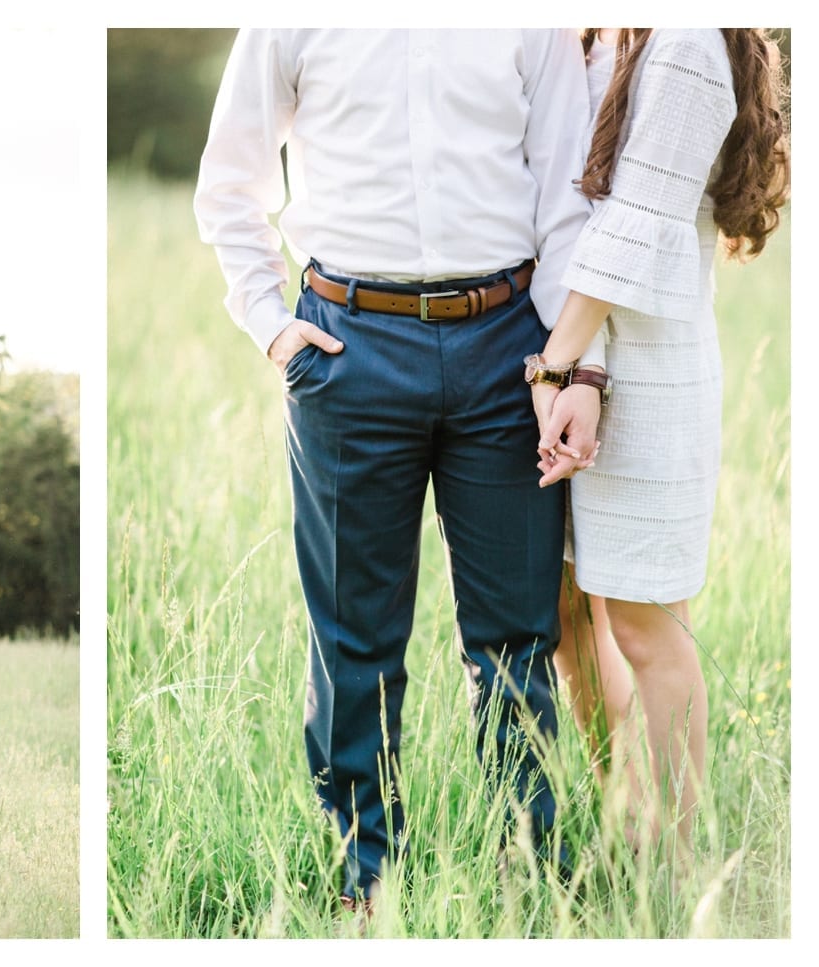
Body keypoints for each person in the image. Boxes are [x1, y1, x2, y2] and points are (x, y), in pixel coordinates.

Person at [193, 29, 605, 914]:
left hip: (509, 345)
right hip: (348, 345)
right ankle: (365, 874)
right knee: (354, 637)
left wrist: (569, 367)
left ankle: (528, 868)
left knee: (515, 635)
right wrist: (272, 324)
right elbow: (228, 184)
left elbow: (569, 196)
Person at [528, 28, 789, 862]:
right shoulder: (619, 31)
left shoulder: (684, 42)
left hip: (648, 380)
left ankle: (672, 865)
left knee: (644, 626)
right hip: (589, 360)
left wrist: (560, 367)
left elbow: (637, 222)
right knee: (575, 621)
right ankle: (624, 816)